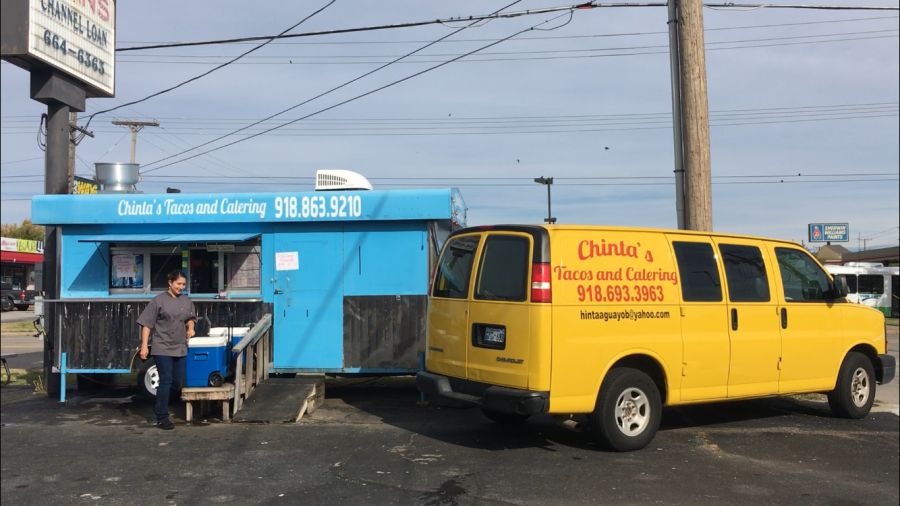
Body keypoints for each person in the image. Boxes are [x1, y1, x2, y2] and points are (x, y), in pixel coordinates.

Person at [138, 269, 196, 430]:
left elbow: (191, 318)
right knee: (166, 380)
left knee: (176, 381)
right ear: (170, 283)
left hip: (180, 346)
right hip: (162, 346)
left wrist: (190, 328)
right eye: (178, 284)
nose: (181, 287)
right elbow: (146, 324)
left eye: (183, 284)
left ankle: (159, 404)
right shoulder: (158, 301)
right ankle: (162, 416)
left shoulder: (186, 301)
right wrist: (144, 346)